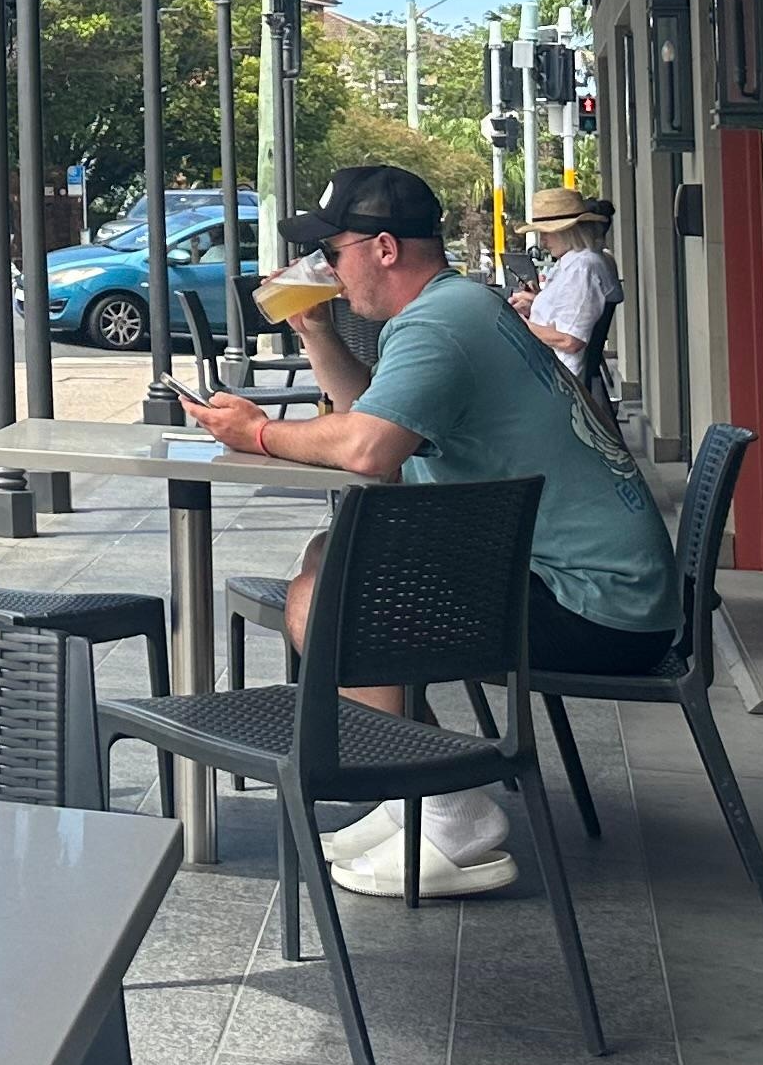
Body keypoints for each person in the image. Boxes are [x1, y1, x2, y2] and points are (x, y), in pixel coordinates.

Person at [188, 161, 677, 902]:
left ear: (384, 248)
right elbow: (381, 420)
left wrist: (257, 434)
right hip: (610, 588)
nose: (327, 268)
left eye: (335, 251)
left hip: (597, 609)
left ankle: (447, 811)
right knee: (332, 555)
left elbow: (367, 450)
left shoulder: (440, 324)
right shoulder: (457, 307)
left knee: (330, 600)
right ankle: (408, 801)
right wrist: (317, 329)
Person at [516, 186, 620, 374]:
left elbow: (570, 340)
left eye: (547, 233)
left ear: (569, 231)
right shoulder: (576, 262)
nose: (542, 241)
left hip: (553, 374)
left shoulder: (582, 268)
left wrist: (518, 324)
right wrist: (534, 302)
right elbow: (568, 310)